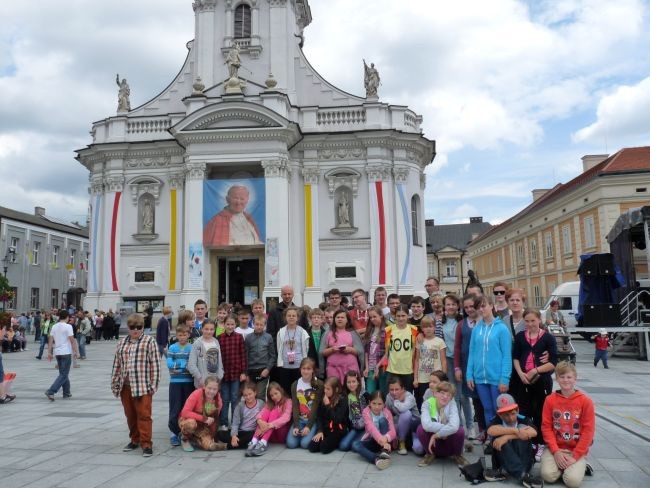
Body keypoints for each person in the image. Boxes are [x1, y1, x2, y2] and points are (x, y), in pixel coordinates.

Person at [111, 313, 161, 457]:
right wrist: (114, 383)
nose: (135, 330)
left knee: (144, 415)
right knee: (130, 415)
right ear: (128, 327)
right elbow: (117, 365)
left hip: (143, 386)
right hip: (125, 386)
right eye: (132, 327)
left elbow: (155, 365)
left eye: (139, 327)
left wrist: (153, 386)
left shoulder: (149, 341)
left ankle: (146, 444)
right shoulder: (121, 343)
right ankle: (135, 440)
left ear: (142, 327)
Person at [513, 308, 558, 462]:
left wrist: (535, 370)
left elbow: (553, 362)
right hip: (523, 380)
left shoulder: (548, 338)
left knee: (540, 411)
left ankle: (540, 443)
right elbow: (516, 357)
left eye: (533, 320)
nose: (530, 324)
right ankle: (527, 441)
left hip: (541, 380)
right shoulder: (520, 337)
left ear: (539, 320)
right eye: (527, 321)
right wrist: (520, 373)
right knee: (524, 411)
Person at [541, 362, 595, 488]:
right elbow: (546, 427)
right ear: (557, 378)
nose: (565, 380)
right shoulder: (550, 399)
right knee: (548, 476)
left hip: (576, 449)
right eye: (562, 377)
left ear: (575, 379)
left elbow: (588, 431)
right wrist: (556, 452)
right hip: (556, 448)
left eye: (569, 377)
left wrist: (576, 456)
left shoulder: (585, 401)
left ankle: (579, 465)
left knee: (572, 482)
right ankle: (564, 466)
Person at [466, 295, 512, 427]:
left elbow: (506, 356)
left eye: (483, 305)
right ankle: (492, 439)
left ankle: (502, 441)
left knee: (500, 410)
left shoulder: (502, 328)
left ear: (492, 306)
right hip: (480, 378)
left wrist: (505, 378)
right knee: (487, 409)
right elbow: (472, 353)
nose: (481, 309)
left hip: (496, 378)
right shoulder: (476, 329)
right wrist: (469, 375)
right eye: (478, 307)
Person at [484, 393, 543, 488]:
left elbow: (534, 432)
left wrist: (507, 437)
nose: (510, 418)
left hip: (524, 461)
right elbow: (490, 431)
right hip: (504, 463)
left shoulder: (523, 419)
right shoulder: (496, 420)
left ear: (518, 410)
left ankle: (521, 473)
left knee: (522, 435)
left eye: (513, 414)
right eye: (506, 415)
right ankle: (523, 476)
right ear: (499, 414)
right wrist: (515, 431)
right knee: (498, 438)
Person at [416, 381, 468, 467]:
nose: (445, 397)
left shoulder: (452, 403)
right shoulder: (427, 404)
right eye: (442, 393)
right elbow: (426, 425)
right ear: (435, 393)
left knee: (460, 431)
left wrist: (437, 434)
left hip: (448, 441)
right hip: (434, 443)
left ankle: (457, 455)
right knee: (420, 429)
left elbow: (455, 426)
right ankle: (429, 454)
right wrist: (444, 431)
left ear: (451, 397)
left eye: (449, 395)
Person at [454, 294, 483, 442]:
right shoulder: (462, 324)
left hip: (482, 366)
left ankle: (484, 429)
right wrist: (457, 368)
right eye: (466, 307)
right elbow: (457, 347)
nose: (469, 309)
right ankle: (470, 427)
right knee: (465, 396)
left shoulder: (485, 322)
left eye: (471, 306)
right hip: (465, 365)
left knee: (481, 398)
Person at [178, 376, 227, 452]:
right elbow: (185, 412)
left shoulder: (218, 400)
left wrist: (212, 436)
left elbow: (215, 420)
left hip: (203, 426)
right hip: (188, 420)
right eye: (209, 388)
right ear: (204, 386)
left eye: (214, 389)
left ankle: (196, 439)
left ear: (218, 390)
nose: (211, 391)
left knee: (210, 446)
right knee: (191, 424)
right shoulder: (196, 394)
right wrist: (204, 418)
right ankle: (185, 439)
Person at [245, 381, 292, 456]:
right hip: (270, 435)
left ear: (281, 391)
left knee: (274, 411)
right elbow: (260, 414)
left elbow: (286, 417)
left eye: (276, 393)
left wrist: (270, 425)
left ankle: (263, 443)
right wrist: (259, 421)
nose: (274, 397)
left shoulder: (288, 401)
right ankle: (254, 442)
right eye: (272, 395)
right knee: (267, 410)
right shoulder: (270, 403)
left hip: (281, 434)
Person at [166, 324, 195, 447]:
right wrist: (182, 365)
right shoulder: (172, 347)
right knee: (175, 408)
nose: (182, 337)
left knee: (186, 408)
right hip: (175, 383)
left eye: (184, 334)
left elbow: (192, 363)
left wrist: (180, 365)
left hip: (188, 382)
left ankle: (186, 432)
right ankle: (174, 432)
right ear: (176, 335)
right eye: (180, 335)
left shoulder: (192, 348)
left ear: (188, 335)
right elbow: (169, 363)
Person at [352, 390, 396, 470]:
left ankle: (384, 452)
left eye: (380, 404)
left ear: (384, 404)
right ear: (369, 403)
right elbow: (371, 428)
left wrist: (385, 439)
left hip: (386, 443)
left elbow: (393, 431)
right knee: (355, 445)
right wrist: (380, 439)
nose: (376, 407)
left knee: (382, 420)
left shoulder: (387, 413)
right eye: (374, 403)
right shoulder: (366, 412)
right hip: (374, 440)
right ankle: (376, 459)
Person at [286, 358, 324, 449]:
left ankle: (312, 431)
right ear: (300, 369)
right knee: (291, 444)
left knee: (305, 444)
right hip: (300, 419)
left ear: (313, 370)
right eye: (303, 368)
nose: (306, 371)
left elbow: (315, 406)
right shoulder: (295, 384)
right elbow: (295, 406)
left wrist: (308, 426)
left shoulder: (319, 384)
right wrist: (296, 425)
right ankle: (300, 431)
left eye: (308, 369)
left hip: (312, 420)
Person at [218, 314, 247, 430]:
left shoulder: (239, 337)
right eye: (228, 324)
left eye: (232, 324)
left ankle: (236, 422)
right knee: (225, 398)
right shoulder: (219, 338)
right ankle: (224, 422)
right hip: (224, 374)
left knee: (235, 398)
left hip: (236, 373)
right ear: (224, 325)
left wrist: (243, 372)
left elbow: (243, 355)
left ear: (236, 325)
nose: (230, 326)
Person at [319, 309, 363, 384]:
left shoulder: (352, 333)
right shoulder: (328, 333)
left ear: (347, 320)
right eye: (337, 317)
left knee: (350, 391)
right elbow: (321, 352)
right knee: (335, 390)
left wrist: (350, 349)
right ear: (334, 319)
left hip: (351, 368)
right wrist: (332, 350)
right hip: (333, 369)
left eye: (342, 317)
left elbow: (360, 351)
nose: (340, 319)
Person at [275, 306, 311, 395]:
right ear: (285, 317)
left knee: (299, 392)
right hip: (285, 366)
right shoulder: (281, 332)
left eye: (293, 316)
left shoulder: (303, 332)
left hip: (299, 366)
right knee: (286, 392)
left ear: (297, 318)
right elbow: (279, 347)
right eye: (289, 315)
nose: (291, 317)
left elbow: (306, 349)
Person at [45, 310, 80, 401]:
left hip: (57, 353)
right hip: (66, 352)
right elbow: (72, 340)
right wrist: (76, 351)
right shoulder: (68, 326)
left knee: (63, 373)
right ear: (67, 317)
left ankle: (66, 392)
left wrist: (49, 352)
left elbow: (50, 340)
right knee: (64, 374)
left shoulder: (54, 326)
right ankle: (51, 391)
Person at [218, 382, 264, 449]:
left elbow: (266, 417)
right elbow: (235, 423)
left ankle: (228, 446)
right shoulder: (240, 406)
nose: (248, 397)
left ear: (255, 393)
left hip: (252, 432)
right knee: (220, 434)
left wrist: (261, 428)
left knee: (252, 436)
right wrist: (234, 436)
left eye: (250, 394)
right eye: (245, 395)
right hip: (241, 432)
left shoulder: (261, 404)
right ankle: (243, 444)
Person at [308, 376, 349, 453]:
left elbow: (337, 419)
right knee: (312, 447)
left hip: (338, 430)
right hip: (326, 429)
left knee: (324, 448)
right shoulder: (324, 397)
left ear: (336, 389)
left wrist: (328, 405)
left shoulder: (343, 399)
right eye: (324, 388)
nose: (325, 391)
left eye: (328, 389)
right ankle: (328, 440)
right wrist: (320, 431)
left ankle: (337, 442)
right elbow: (319, 416)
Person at [413, 316, 447, 409]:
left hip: (436, 378)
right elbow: (416, 360)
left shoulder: (440, 341)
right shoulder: (419, 341)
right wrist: (415, 378)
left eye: (430, 326)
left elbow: (443, 360)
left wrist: (444, 378)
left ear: (435, 327)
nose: (428, 329)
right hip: (422, 378)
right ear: (422, 328)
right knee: (423, 401)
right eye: (425, 327)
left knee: (437, 400)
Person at [384, 304, 418, 392]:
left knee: (407, 396)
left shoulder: (414, 330)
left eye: (403, 315)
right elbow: (387, 352)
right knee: (392, 396)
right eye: (398, 316)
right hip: (392, 370)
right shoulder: (388, 330)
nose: (401, 318)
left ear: (408, 316)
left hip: (408, 370)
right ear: (394, 317)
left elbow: (416, 352)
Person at [245, 313, 276, 400]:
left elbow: (272, 356)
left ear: (265, 325)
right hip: (251, 371)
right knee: (250, 396)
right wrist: (246, 373)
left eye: (261, 325)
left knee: (260, 395)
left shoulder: (268, 337)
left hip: (263, 371)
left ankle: (261, 414)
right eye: (257, 324)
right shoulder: (248, 338)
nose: (259, 327)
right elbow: (245, 356)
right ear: (253, 324)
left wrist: (267, 369)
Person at [386, 376, 420, 455]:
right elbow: (387, 412)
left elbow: (403, 409)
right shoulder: (388, 396)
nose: (394, 392)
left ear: (402, 388)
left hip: (414, 426)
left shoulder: (409, 396)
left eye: (397, 389)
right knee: (386, 422)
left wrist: (396, 401)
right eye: (391, 389)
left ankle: (402, 440)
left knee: (418, 449)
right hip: (401, 425)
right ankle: (401, 443)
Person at [187, 319, 224, 389]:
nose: (209, 331)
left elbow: (219, 362)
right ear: (202, 329)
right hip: (202, 383)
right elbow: (191, 365)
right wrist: (200, 378)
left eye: (211, 329)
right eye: (206, 329)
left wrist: (220, 376)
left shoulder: (216, 342)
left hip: (215, 382)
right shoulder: (197, 343)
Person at [339, 370, 368, 451]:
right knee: (343, 446)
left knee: (355, 447)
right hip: (354, 426)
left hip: (365, 426)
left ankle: (367, 439)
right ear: (345, 383)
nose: (351, 384)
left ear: (358, 382)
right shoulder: (345, 396)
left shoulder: (365, 395)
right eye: (349, 382)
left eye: (353, 381)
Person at [363, 306, 388, 395]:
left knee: (382, 392)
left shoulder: (387, 330)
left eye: (374, 316)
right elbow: (366, 350)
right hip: (370, 367)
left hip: (382, 367)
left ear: (381, 315)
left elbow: (387, 352)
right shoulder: (370, 330)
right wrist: (366, 367)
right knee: (370, 393)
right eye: (370, 317)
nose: (372, 319)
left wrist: (378, 366)